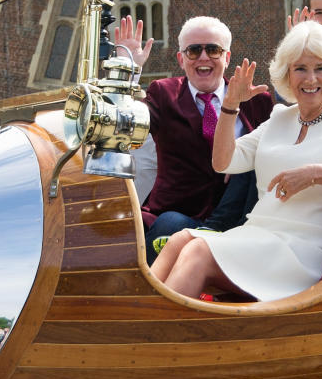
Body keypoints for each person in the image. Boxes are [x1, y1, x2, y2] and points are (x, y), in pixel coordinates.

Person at [151, 21, 322, 301]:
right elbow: (224, 162)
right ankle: (137, 324)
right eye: (300, 69)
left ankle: (155, 339)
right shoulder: (280, 117)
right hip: (259, 235)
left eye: (321, 68)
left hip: (305, 249)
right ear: (287, 74)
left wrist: (314, 173)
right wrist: (230, 106)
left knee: (198, 251)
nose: (310, 79)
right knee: (180, 239)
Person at [114, 15, 274, 263]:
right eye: (193, 51)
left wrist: (242, 159)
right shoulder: (163, 93)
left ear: (227, 57)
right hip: (178, 216)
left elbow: (285, 142)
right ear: (181, 59)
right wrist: (127, 74)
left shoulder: (257, 101)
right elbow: (124, 126)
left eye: (212, 49)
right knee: (169, 226)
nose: (203, 57)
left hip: (239, 221)